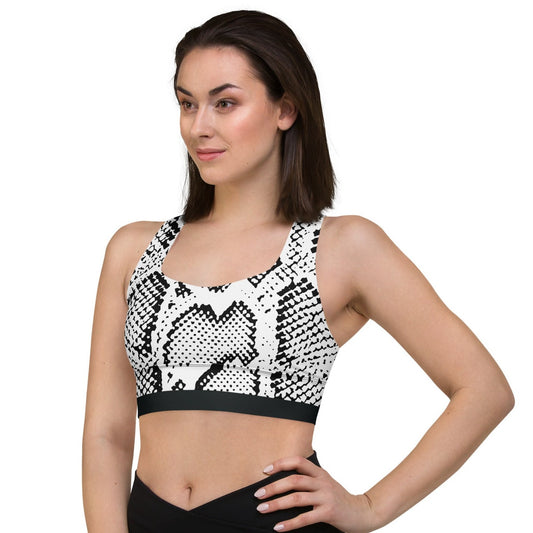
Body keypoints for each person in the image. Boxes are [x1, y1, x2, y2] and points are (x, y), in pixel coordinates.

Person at [82, 9, 514, 533]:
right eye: (187, 103)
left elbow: (484, 390)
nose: (199, 127)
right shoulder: (134, 249)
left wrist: (370, 507)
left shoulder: (343, 248)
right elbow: (107, 434)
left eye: (225, 103)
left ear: (285, 109)